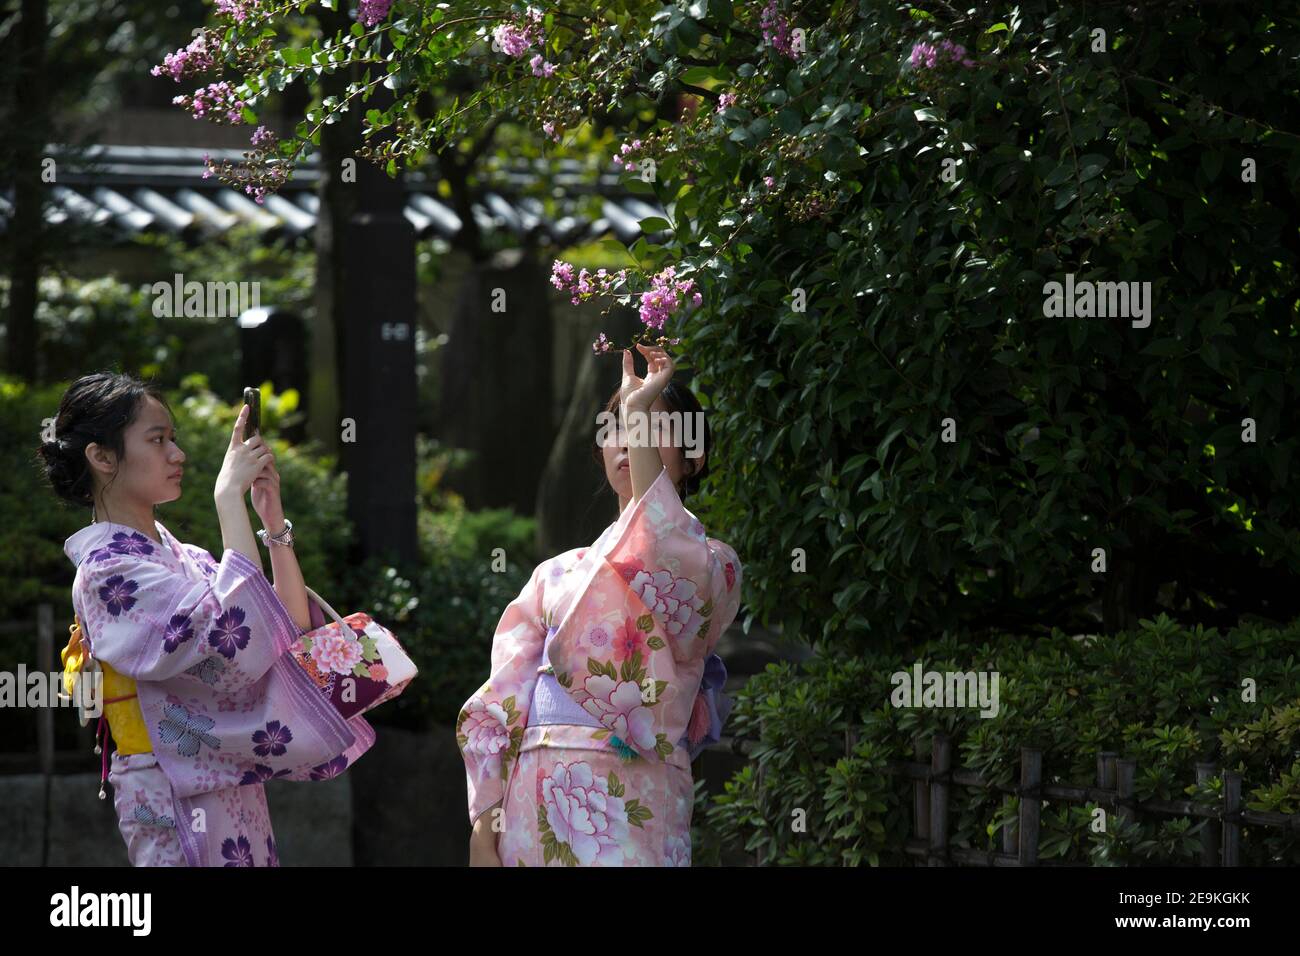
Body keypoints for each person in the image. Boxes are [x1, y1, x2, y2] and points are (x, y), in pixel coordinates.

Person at [38, 372, 374, 866]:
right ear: (102, 456)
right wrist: (225, 499)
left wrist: (271, 520)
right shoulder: (106, 573)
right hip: (167, 784)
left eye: (172, 439)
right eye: (157, 440)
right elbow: (232, 635)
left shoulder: (184, 556)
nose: (177, 454)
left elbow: (282, 629)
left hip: (222, 777)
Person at [457, 344, 742, 866]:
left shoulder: (712, 564)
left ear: (693, 456)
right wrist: (483, 824)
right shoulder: (554, 574)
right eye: (618, 425)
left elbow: (655, 553)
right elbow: (500, 699)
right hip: (534, 794)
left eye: (652, 426)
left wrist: (636, 408)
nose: (629, 438)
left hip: (637, 787)